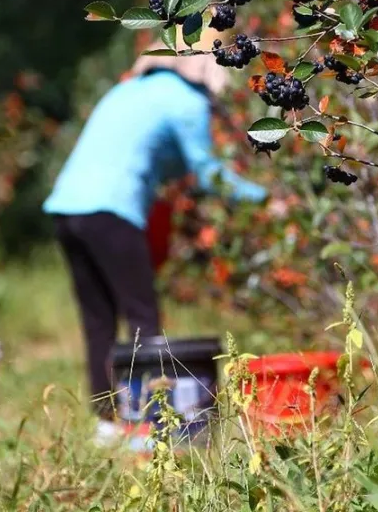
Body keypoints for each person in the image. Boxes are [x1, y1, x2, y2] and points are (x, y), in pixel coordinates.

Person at [43, 29, 266, 437]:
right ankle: (154, 424)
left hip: (66, 210)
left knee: (99, 322)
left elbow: (148, 157)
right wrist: (265, 197)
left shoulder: (126, 91)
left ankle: (107, 426)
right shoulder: (187, 101)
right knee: (143, 318)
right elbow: (207, 173)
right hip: (112, 210)